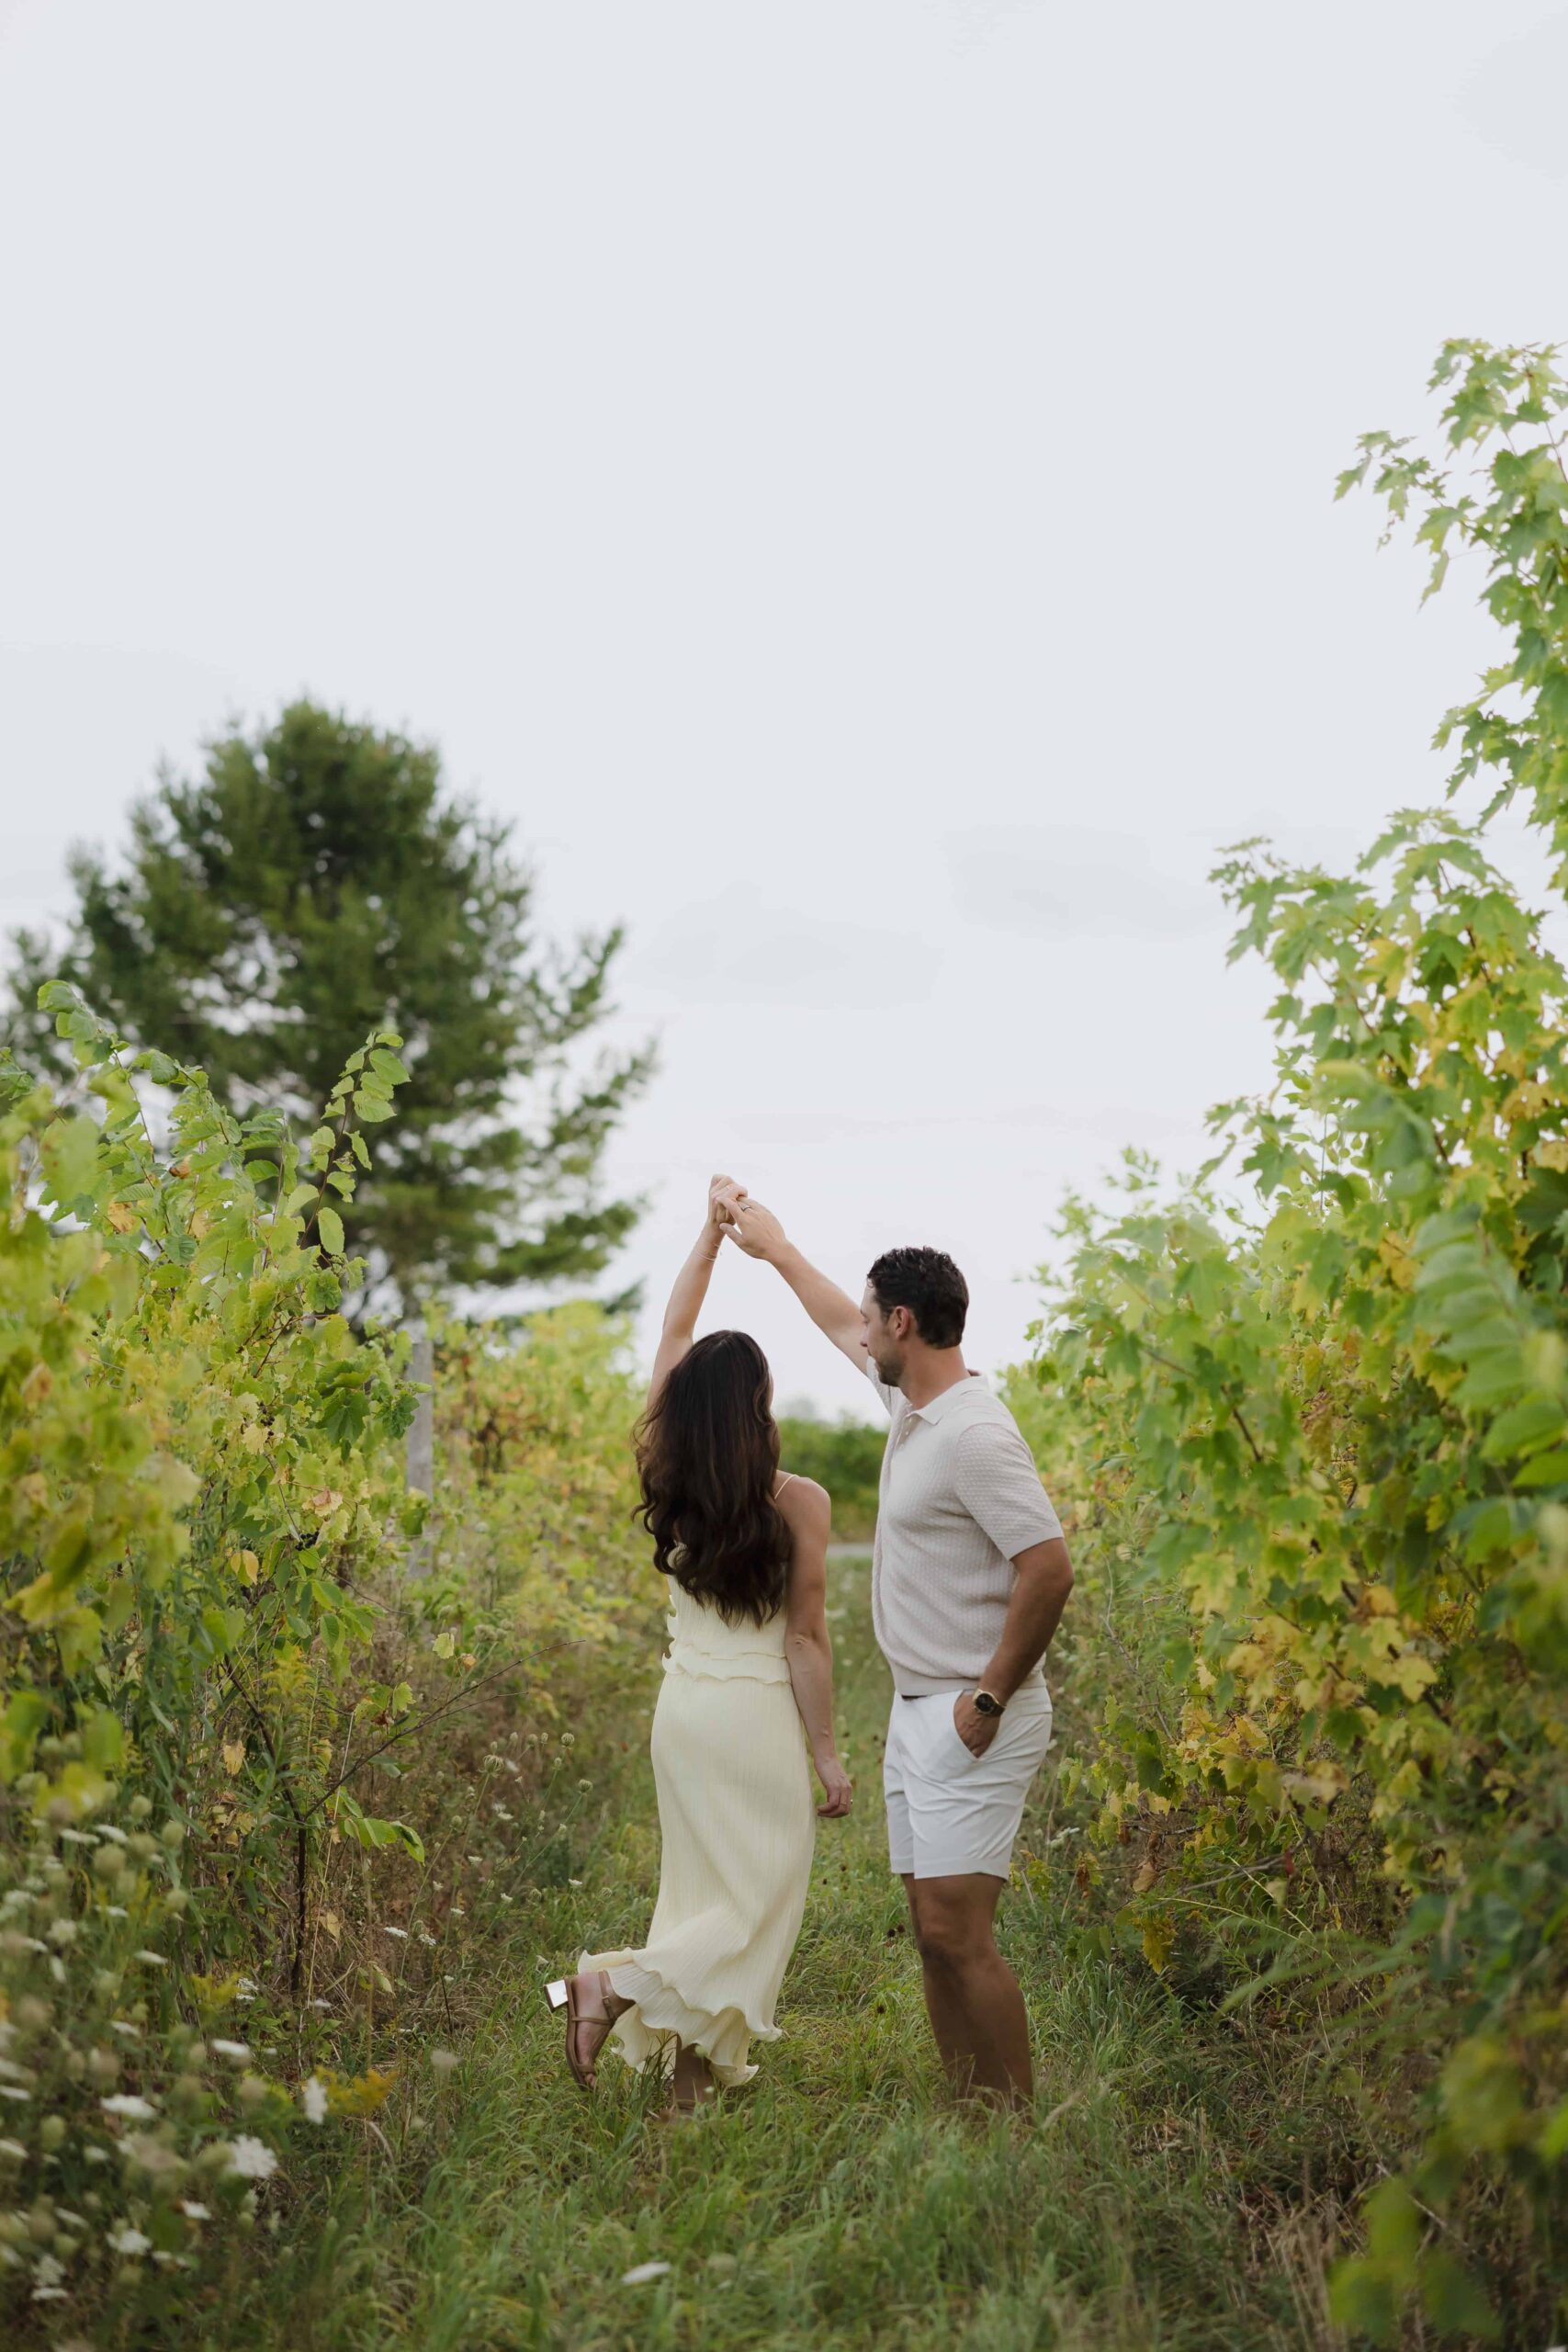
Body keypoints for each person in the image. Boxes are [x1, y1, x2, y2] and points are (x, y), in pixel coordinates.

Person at [710, 1178, 1073, 2109]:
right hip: (920, 1713)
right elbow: (835, 1322)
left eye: (874, 1321)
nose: (860, 1333)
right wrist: (776, 1248)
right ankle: (970, 2111)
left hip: (970, 1714)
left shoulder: (975, 1435)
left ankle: (1018, 2127)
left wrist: (987, 1699)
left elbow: (1049, 1568)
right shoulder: (915, 1409)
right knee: (930, 1928)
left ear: (904, 1323)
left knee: (960, 1930)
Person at [546, 1181, 853, 2119]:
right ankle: (606, 1987)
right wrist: (830, 1755)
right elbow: (803, 1637)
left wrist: (708, 1239)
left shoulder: (665, 1470)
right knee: (753, 1909)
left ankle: (687, 2093)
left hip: (683, 1716)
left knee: (698, 1901)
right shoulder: (800, 1501)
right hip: (754, 1720)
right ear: (758, 1407)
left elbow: (675, 1331)